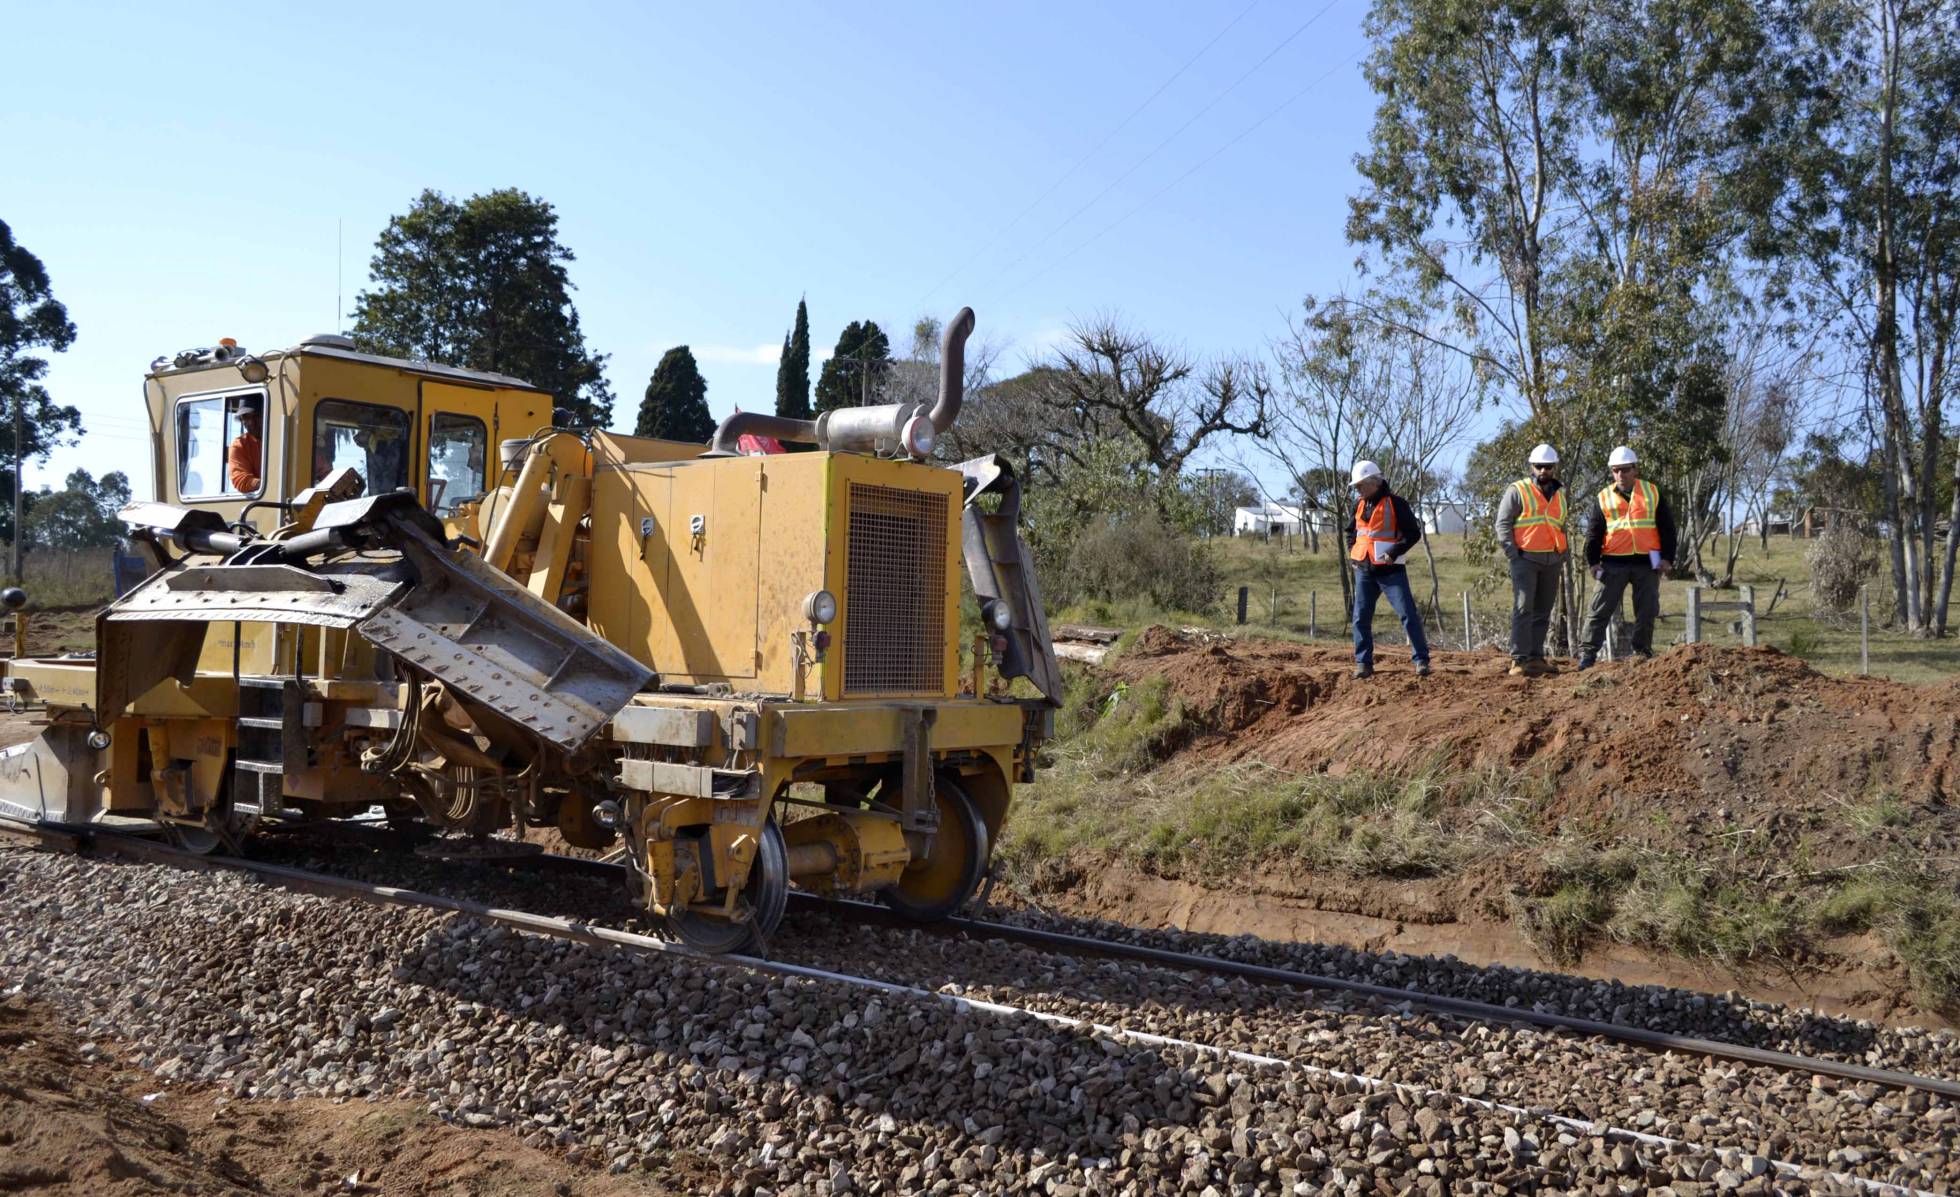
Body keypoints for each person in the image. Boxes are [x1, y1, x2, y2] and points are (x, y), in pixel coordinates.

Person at [1578, 445, 1676, 669]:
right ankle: (1587, 654)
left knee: (1647, 610)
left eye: (1625, 469)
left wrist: (1667, 558)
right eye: (1615, 470)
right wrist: (1593, 562)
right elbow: (1594, 532)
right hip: (1613, 560)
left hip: (1648, 559)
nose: (1620, 475)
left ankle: (1642, 652)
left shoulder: (1652, 492)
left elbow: (1667, 528)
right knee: (1599, 609)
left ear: (1635, 469)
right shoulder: (1603, 497)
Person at [1345, 460, 1430, 679]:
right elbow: (1350, 532)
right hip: (1364, 569)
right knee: (1360, 618)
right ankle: (1363, 663)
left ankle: (1421, 660)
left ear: (1374, 482)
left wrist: (1394, 552)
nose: (1357, 489)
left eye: (1360, 485)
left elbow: (1413, 534)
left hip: (1391, 571)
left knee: (1408, 614)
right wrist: (1352, 552)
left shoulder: (1397, 504)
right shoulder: (1358, 505)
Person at [1495, 443, 1567, 676]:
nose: (1543, 471)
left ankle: (1536, 657)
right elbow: (1503, 523)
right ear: (1531, 467)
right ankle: (1519, 658)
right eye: (1539, 466)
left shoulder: (1560, 495)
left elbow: (1558, 525)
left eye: (1547, 466)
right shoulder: (1517, 490)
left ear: (1554, 467)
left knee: (1543, 611)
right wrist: (1513, 554)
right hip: (1525, 559)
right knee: (1523, 607)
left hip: (1551, 561)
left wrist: (1561, 554)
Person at [227, 400, 262, 493]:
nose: (251, 422)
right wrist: (266, 484)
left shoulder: (280, 437)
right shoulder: (239, 446)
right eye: (246, 417)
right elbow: (241, 480)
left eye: (256, 416)